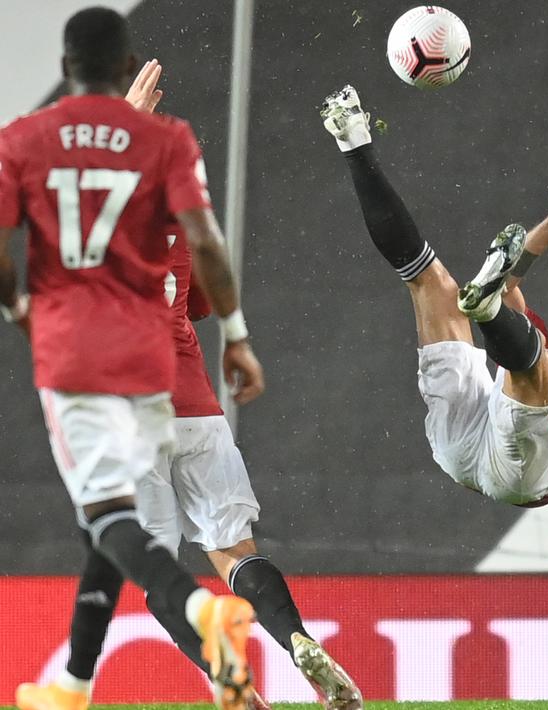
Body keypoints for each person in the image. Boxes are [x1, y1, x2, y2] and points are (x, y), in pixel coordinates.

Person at [12, 61, 363, 710]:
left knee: (156, 571)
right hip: (197, 411)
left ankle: (230, 683)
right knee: (236, 552)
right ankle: (297, 642)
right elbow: (199, 302)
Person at [0, 8, 263, 710]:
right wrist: (234, 332)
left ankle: (203, 615)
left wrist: (17, 307)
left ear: (63, 68)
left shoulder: (21, 141)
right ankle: (72, 685)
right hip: (152, 365)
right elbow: (204, 242)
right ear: (123, 68)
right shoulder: (166, 141)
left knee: (108, 517)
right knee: (110, 514)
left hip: (76, 360)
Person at [319, 86, 548, 586]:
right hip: (464, 440)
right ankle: (352, 138)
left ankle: (486, 304)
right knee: (432, 282)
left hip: (527, 472)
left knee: (536, 364)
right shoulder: (543, 339)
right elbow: (517, 292)